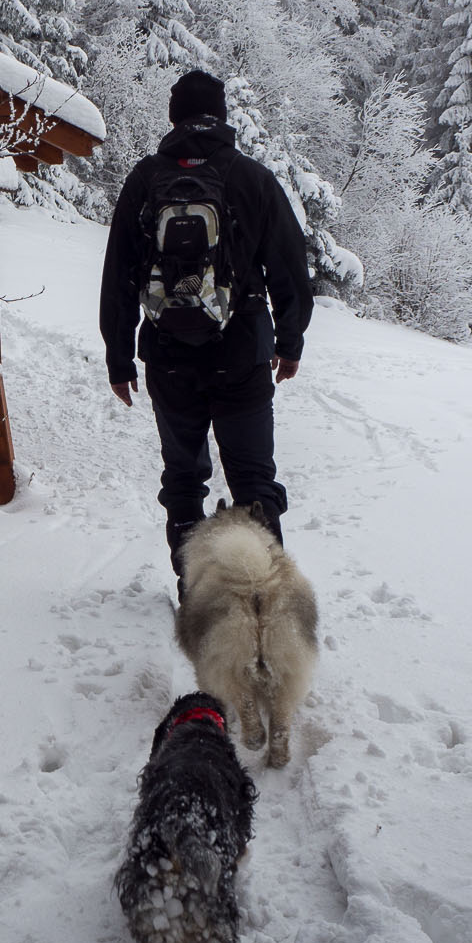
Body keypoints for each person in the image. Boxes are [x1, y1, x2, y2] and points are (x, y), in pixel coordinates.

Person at [99, 69, 314, 598]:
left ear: (173, 117)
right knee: (253, 482)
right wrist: (289, 344)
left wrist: (120, 359)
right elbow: (290, 269)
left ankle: (196, 595)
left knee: (183, 479)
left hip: (169, 360)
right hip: (242, 355)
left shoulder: (145, 179)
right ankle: (264, 601)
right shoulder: (252, 178)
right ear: (222, 115)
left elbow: (119, 274)